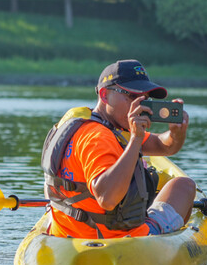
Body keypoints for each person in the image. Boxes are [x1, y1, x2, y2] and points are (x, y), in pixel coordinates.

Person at [42, 59, 195, 239]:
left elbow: (163, 146)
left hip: (68, 234)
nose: (139, 105)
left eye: (145, 99)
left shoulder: (101, 126)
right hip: (112, 239)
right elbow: (107, 199)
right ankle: (163, 235)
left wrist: (176, 134)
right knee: (184, 186)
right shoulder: (99, 137)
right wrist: (136, 139)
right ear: (104, 95)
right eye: (132, 96)